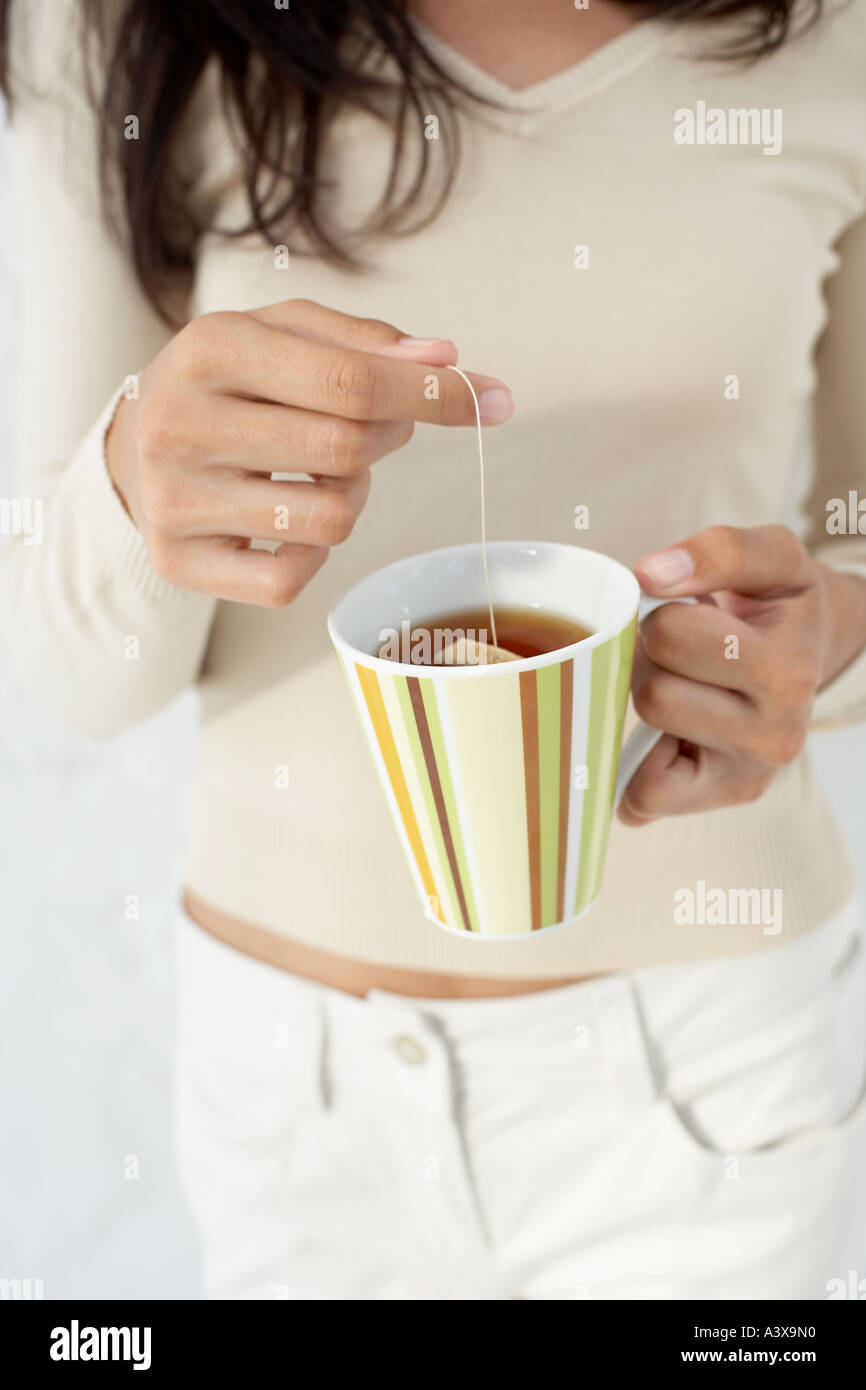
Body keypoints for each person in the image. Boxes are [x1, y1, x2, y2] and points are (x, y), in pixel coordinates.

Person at [2, 0, 866, 1300]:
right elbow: (70, 678)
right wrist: (136, 477)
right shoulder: (105, 25)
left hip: (712, 1077)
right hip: (292, 1104)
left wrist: (828, 636)